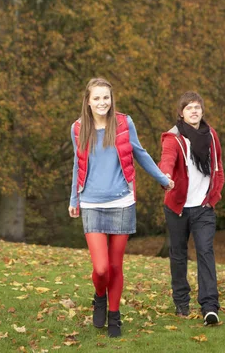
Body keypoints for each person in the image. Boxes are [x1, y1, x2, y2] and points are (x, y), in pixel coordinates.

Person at [69, 77, 174, 338]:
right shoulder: (78, 128)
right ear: (88, 101)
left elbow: (140, 153)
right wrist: (74, 199)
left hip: (122, 202)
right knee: (101, 268)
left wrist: (163, 178)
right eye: (97, 98)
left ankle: (114, 317)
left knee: (115, 266)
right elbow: (77, 165)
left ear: (111, 99)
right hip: (91, 202)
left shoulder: (124, 123)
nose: (102, 102)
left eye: (106, 97)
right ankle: (99, 296)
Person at [159, 91, 225, 326]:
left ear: (202, 111)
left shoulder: (211, 136)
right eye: (189, 108)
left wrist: (213, 197)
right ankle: (181, 302)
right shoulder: (173, 138)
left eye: (197, 107)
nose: (194, 111)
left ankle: (209, 306)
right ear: (181, 113)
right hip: (177, 207)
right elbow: (167, 159)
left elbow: (218, 167)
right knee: (178, 255)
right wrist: (165, 175)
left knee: (205, 252)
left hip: (203, 207)